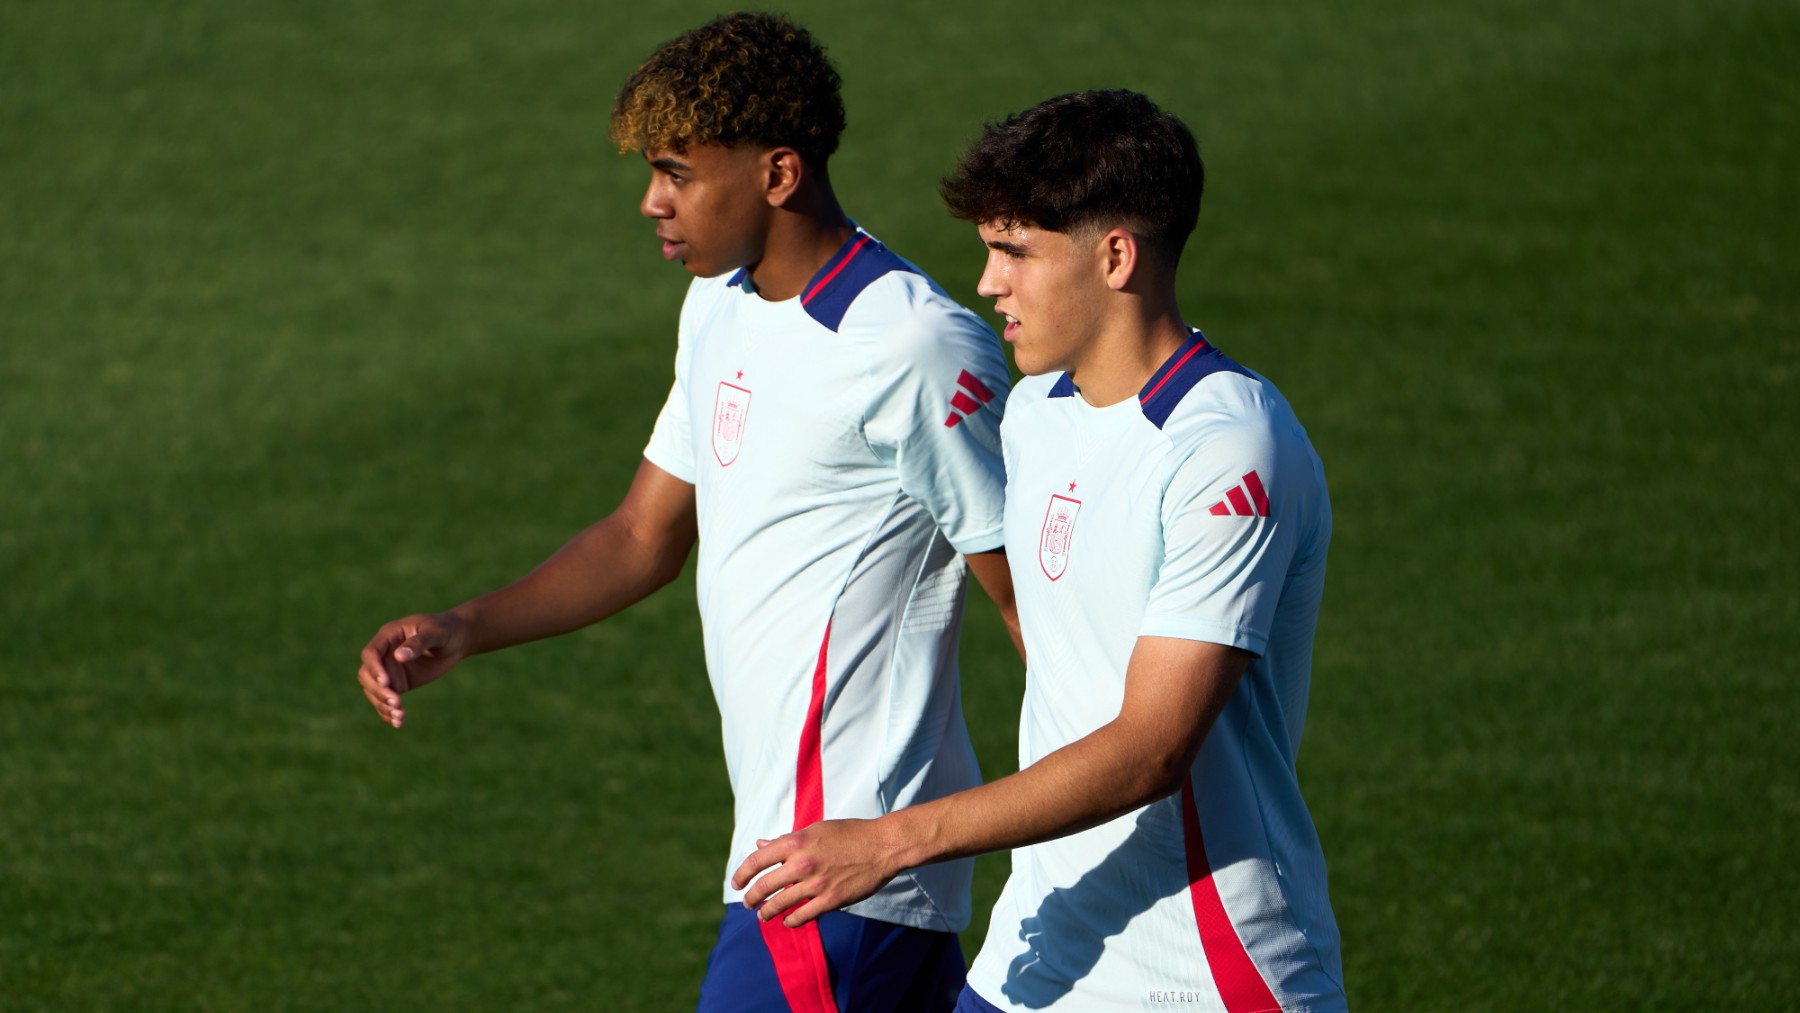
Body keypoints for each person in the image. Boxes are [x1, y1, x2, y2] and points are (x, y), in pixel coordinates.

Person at [355, 14, 1019, 1012]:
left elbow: (1031, 604)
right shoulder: (721, 302)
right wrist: (466, 625)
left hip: (844, 866)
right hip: (797, 860)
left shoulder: (913, 348)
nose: (650, 202)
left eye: (677, 172)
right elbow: (641, 535)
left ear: (778, 174)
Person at [733, 90, 1348, 1012]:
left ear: (1115, 256)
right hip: (1039, 949)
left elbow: (1151, 750)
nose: (987, 283)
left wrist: (892, 840)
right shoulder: (1035, 413)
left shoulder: (1225, 447)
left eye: (1014, 251)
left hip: (1203, 969)